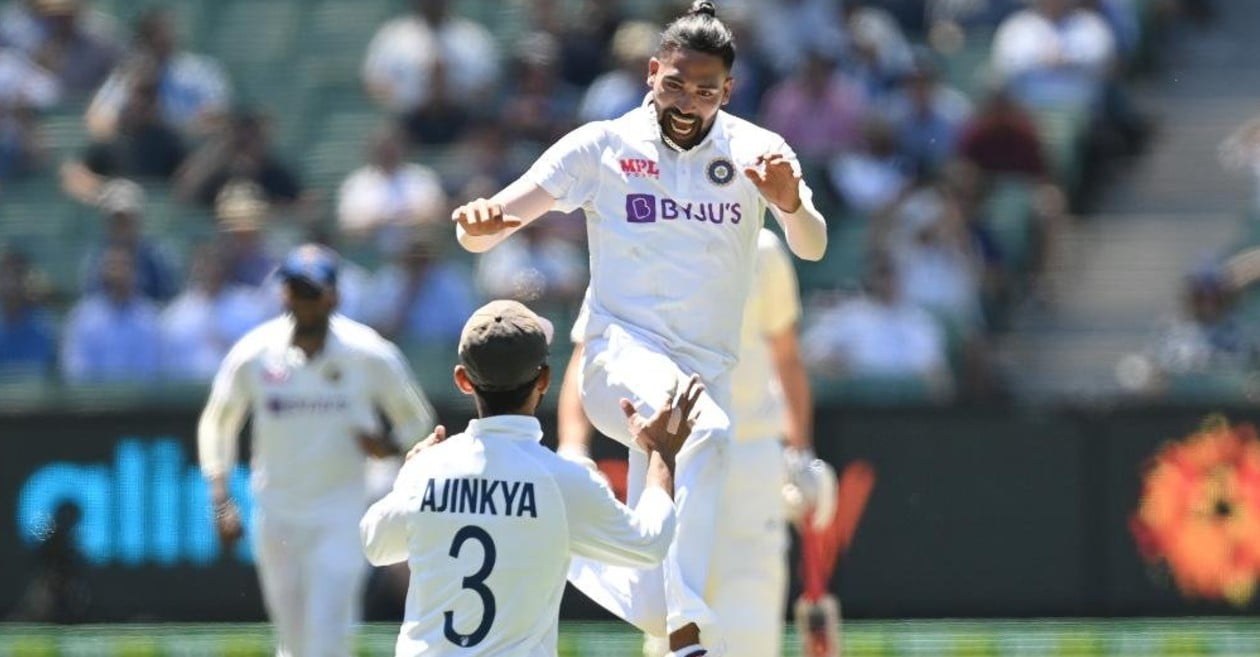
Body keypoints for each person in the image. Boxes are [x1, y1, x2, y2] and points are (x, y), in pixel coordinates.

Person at [449, 3, 828, 653]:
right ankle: (687, 632)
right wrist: (480, 223)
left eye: (705, 90)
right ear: (653, 72)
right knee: (707, 429)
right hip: (615, 360)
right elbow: (505, 212)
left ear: (728, 91)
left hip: (699, 375)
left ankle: (598, 563)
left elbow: (812, 244)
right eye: (675, 83)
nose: (687, 101)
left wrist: (790, 202)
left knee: (656, 556)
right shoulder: (604, 145)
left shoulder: (756, 151)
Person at [360, 299, 700, 656]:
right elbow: (649, 544)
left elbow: (375, 545)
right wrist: (661, 455)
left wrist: (410, 472)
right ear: (544, 380)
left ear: (463, 380)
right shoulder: (561, 480)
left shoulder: (428, 470)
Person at [557, 229, 829, 657]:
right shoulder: (634, 240)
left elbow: (786, 356)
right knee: (670, 623)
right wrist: (573, 447)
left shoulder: (761, 251)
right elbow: (589, 351)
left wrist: (800, 452)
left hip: (751, 456)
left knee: (751, 620)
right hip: (674, 455)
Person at [197, 244, 437, 657]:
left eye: (313, 291)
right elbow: (218, 421)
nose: (303, 302)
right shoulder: (256, 353)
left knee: (328, 636)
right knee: (292, 641)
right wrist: (220, 496)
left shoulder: (368, 354)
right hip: (276, 513)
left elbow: (418, 421)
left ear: (334, 296)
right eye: (295, 289)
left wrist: (390, 446)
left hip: (342, 514)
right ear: (283, 294)